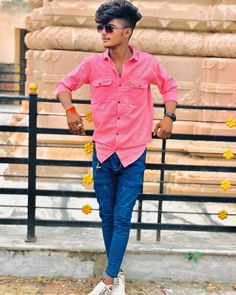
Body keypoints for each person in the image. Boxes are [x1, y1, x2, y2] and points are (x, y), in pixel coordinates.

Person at [55, 0, 178, 294]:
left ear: (127, 32)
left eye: (109, 27)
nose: (103, 32)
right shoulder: (92, 64)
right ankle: (116, 272)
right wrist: (71, 111)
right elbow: (63, 85)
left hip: (133, 152)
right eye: (100, 27)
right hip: (103, 152)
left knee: (122, 215)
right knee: (107, 215)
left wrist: (169, 116)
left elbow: (169, 87)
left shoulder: (149, 64)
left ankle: (109, 280)